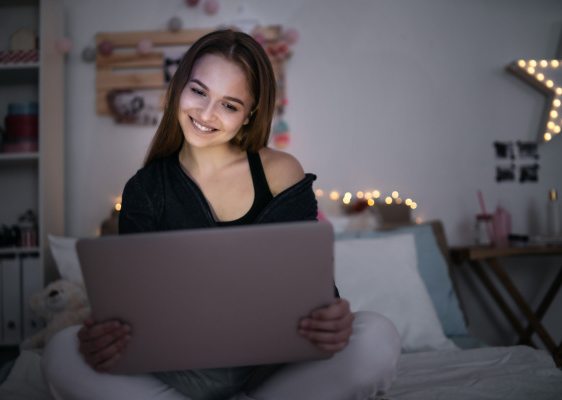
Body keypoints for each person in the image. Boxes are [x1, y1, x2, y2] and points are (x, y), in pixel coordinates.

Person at [42, 29, 401, 400]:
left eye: (229, 105)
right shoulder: (145, 188)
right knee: (62, 352)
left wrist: (332, 317)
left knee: (378, 335)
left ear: (249, 115)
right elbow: (133, 309)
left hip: (274, 372)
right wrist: (110, 335)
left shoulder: (280, 171)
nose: (206, 113)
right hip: (179, 374)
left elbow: (314, 288)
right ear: (180, 88)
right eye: (198, 91)